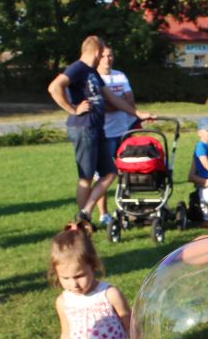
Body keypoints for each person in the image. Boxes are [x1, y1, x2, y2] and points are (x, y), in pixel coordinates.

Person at [47, 35, 142, 222]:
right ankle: (82, 223)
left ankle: (85, 212)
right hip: (84, 128)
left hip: (97, 128)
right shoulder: (78, 68)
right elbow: (54, 87)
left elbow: (112, 98)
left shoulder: (92, 72)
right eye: (103, 53)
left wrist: (138, 114)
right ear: (98, 52)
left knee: (110, 172)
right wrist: (73, 109)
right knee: (86, 177)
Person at [92, 44, 151, 225]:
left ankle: (125, 207)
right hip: (104, 134)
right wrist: (118, 103)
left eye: (110, 55)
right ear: (97, 57)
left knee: (127, 171)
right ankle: (103, 214)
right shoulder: (93, 78)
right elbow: (102, 106)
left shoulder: (119, 75)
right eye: (104, 56)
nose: (108, 59)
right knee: (103, 175)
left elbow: (130, 100)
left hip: (124, 132)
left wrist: (116, 103)